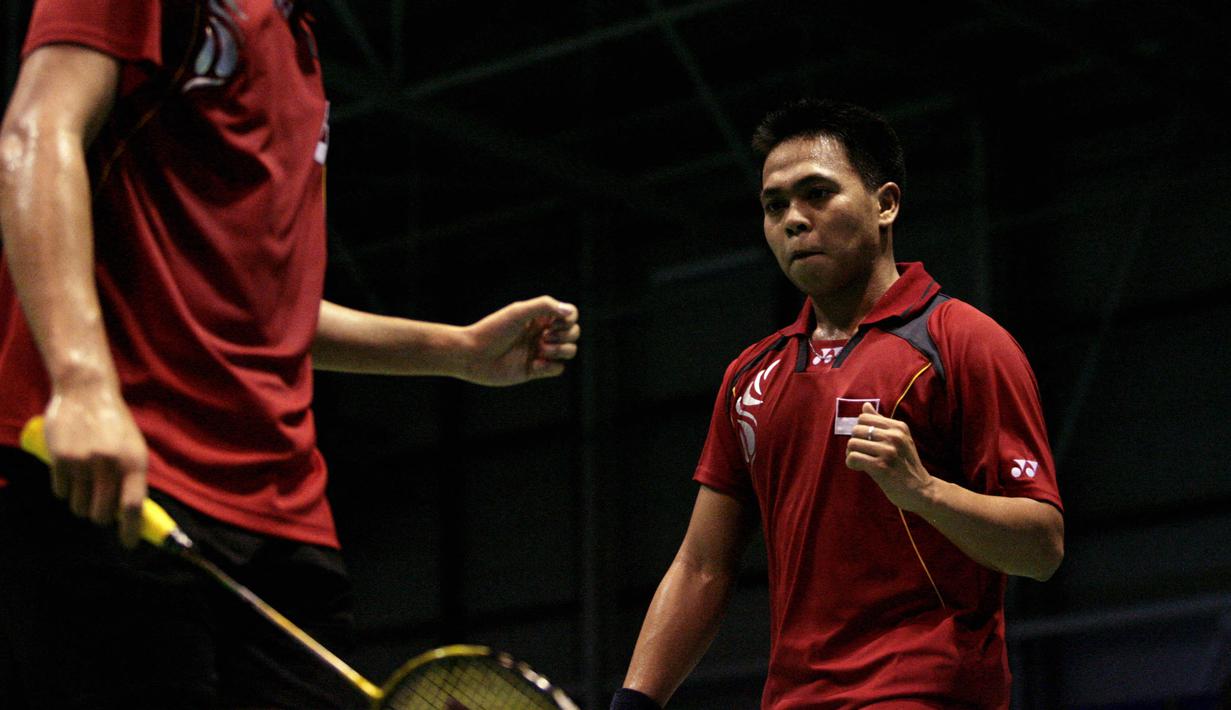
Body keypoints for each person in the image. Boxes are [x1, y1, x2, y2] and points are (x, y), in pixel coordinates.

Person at [0, 2, 580, 709]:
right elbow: (38, 131)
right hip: (121, 476)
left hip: (283, 512)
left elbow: (267, 309)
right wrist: (82, 381)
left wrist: (454, 350)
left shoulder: (301, 57)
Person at [610, 99, 1064, 709]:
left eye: (817, 194)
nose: (794, 220)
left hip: (926, 693)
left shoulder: (963, 342)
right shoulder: (752, 377)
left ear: (886, 204)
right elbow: (701, 567)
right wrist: (634, 702)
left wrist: (924, 491)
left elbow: (1042, 547)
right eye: (775, 206)